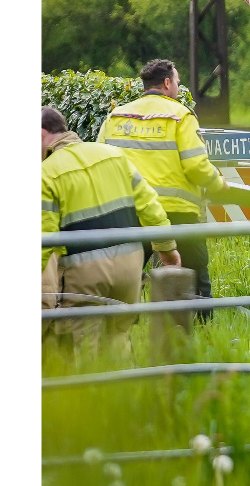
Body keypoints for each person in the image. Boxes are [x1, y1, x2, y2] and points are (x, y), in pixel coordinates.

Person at [98, 59, 234, 318]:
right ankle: (202, 331)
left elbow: (100, 162)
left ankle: (123, 332)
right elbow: (196, 166)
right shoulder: (180, 116)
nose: (179, 87)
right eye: (178, 82)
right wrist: (219, 184)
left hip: (129, 212)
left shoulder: (115, 117)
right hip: (177, 213)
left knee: (127, 279)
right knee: (196, 276)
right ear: (167, 83)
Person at [42, 106, 179, 354]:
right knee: (118, 335)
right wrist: (167, 250)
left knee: (84, 347)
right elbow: (150, 206)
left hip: (85, 273)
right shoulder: (113, 155)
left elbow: (46, 239)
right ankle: (127, 388)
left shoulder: (47, 173)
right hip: (129, 267)